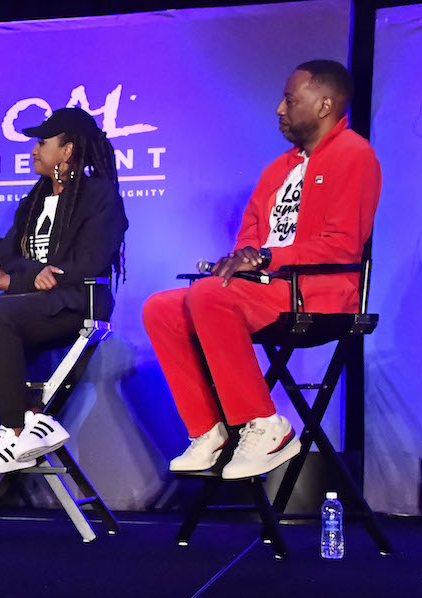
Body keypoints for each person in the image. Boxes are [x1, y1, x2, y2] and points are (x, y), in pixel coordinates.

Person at [142, 60, 382, 480]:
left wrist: (269, 259)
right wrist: (242, 260)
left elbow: (343, 243)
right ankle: (209, 432)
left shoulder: (355, 155)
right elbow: (250, 239)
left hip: (319, 294)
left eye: (290, 100)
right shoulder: (276, 170)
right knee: (160, 308)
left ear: (325, 104)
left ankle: (265, 424)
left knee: (209, 294)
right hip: (266, 290)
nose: (278, 108)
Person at [0, 107, 127, 473]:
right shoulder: (34, 200)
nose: (34, 150)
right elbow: (5, 258)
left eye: (43, 142)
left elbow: (88, 263)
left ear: (67, 150)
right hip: (32, 301)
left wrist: (20, 280)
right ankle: (31, 419)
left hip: (77, 303)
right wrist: (26, 276)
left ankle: (14, 426)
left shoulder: (100, 196)